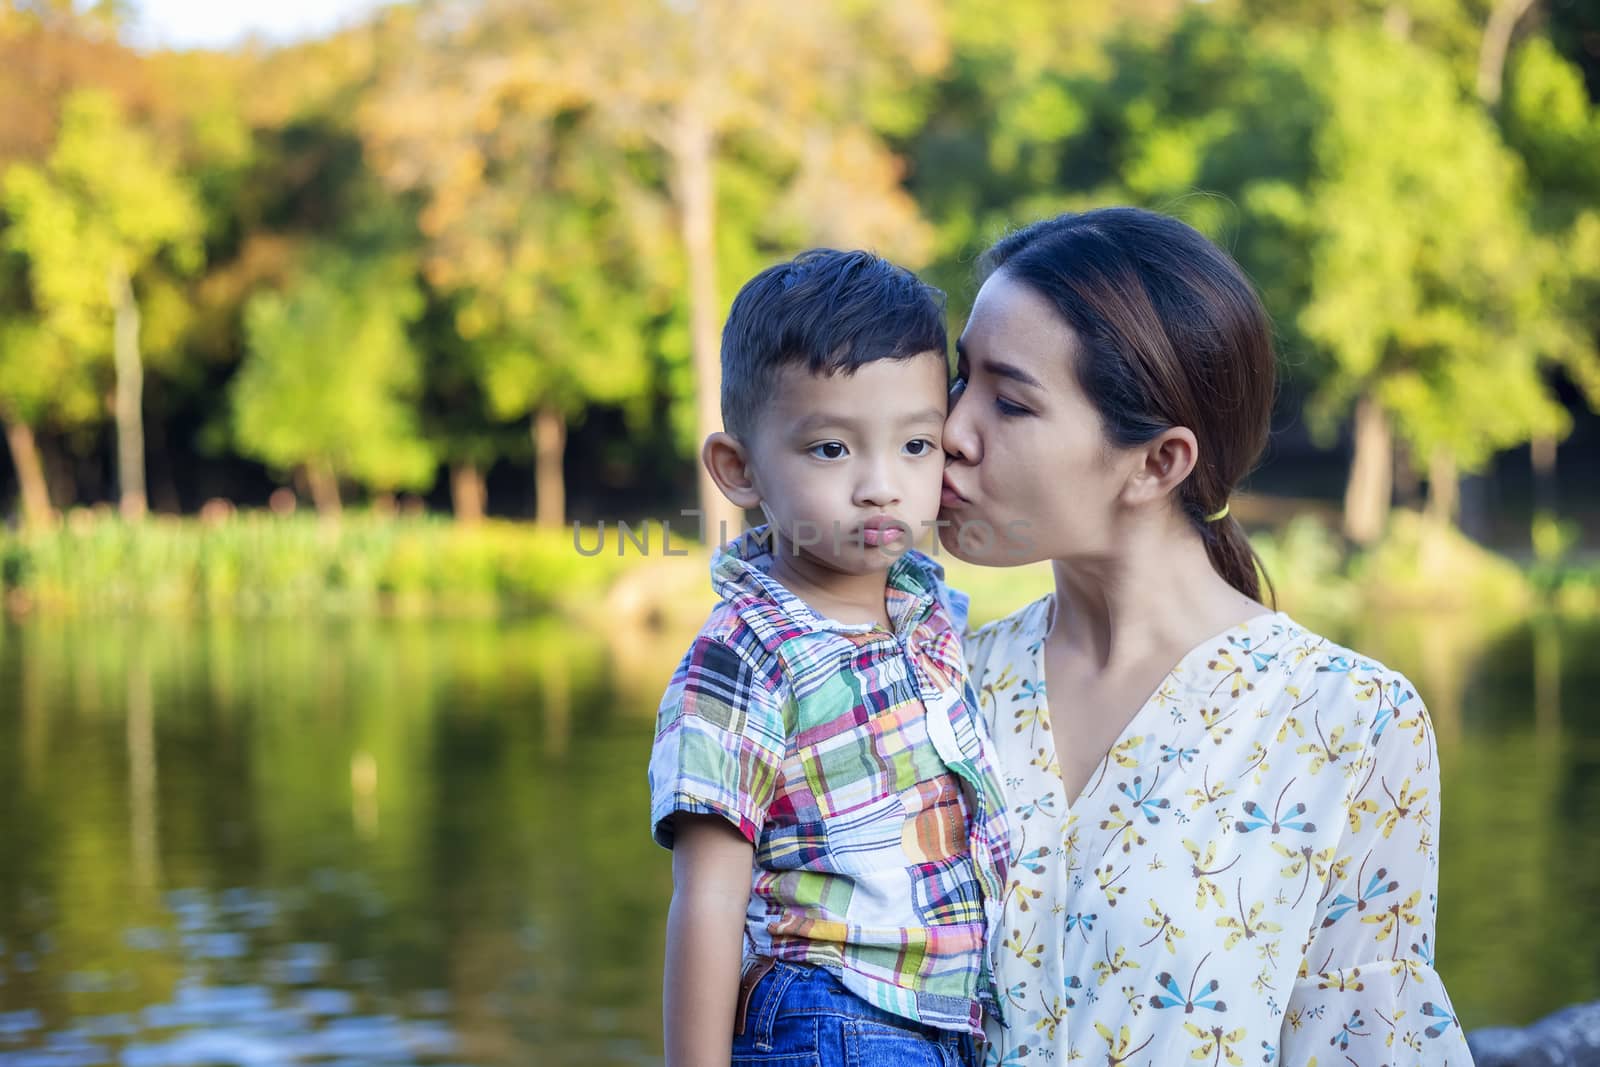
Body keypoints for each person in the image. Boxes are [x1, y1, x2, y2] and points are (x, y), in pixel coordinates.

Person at [938, 208, 1474, 1065]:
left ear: (1158, 461)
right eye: (961, 382)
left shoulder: (1347, 722)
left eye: (1009, 401)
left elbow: (1360, 1041)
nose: (952, 432)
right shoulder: (936, 687)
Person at [648, 249, 1011, 1067]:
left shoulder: (927, 613)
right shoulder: (746, 656)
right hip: (831, 1015)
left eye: (916, 445)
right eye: (831, 451)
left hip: (943, 1022)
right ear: (740, 471)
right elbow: (707, 896)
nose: (881, 486)